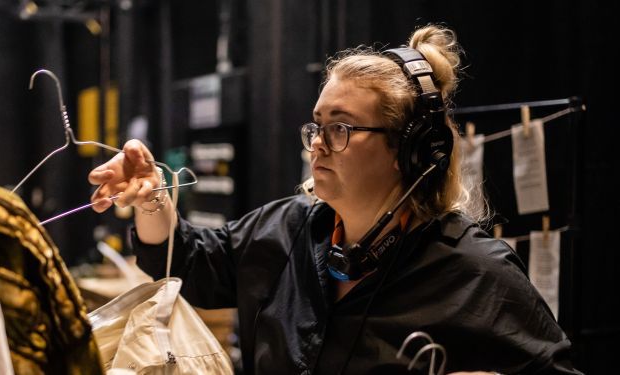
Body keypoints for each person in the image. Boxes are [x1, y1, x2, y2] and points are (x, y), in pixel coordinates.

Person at [88, 25, 581, 374]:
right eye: (316, 126)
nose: (317, 144)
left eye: (340, 127)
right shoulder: (289, 227)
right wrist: (151, 199)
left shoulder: (477, 272)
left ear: (407, 151)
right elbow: (191, 261)